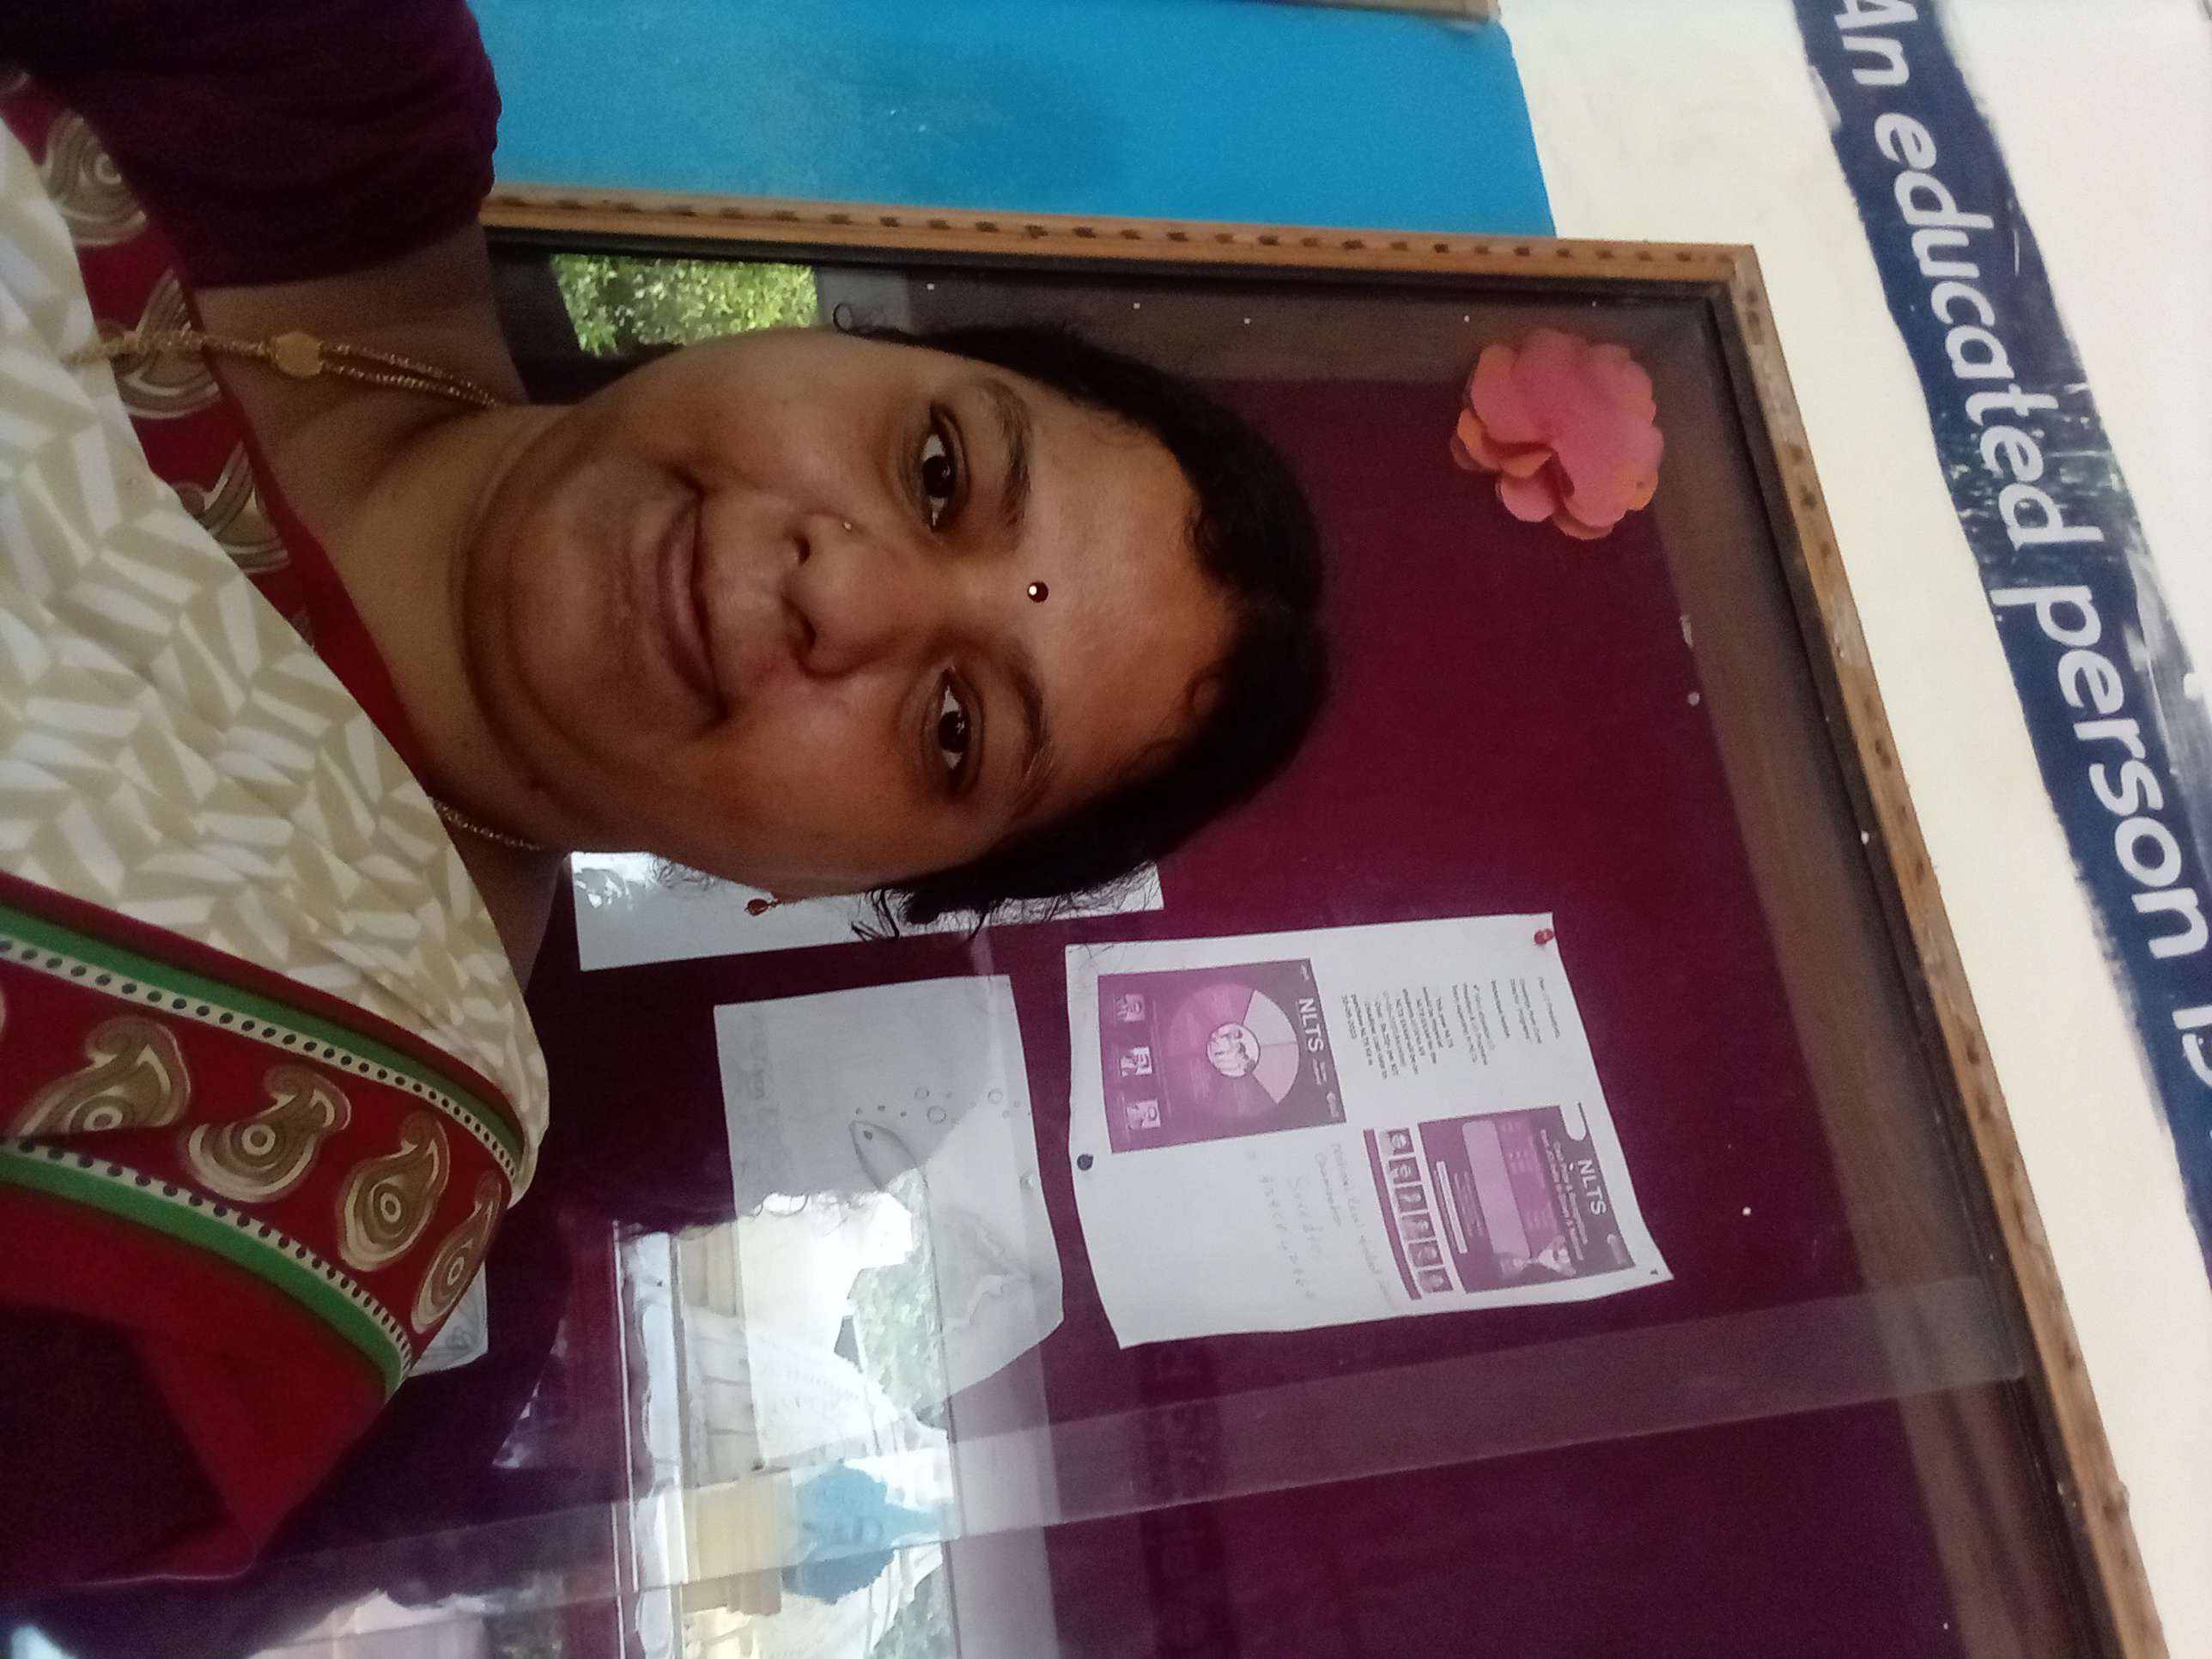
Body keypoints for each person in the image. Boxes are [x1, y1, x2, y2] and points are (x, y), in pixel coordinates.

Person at [0, 0, 1326, 1595]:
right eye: (937, 472)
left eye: (953, 730)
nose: (846, 595)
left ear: (822, 891)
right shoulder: (326, 90)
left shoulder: (312, 1178)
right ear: (844, 341)